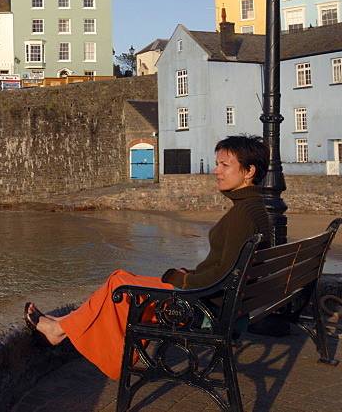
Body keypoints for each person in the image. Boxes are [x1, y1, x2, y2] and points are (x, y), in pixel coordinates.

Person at [24, 134, 272, 381]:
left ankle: (60, 330)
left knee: (120, 286)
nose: (216, 171)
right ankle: (65, 324)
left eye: (224, 165)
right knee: (120, 278)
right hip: (220, 305)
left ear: (249, 171)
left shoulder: (243, 215)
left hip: (204, 310)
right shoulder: (254, 208)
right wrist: (190, 275)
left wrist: (180, 280)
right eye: (217, 164)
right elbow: (227, 270)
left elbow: (222, 276)